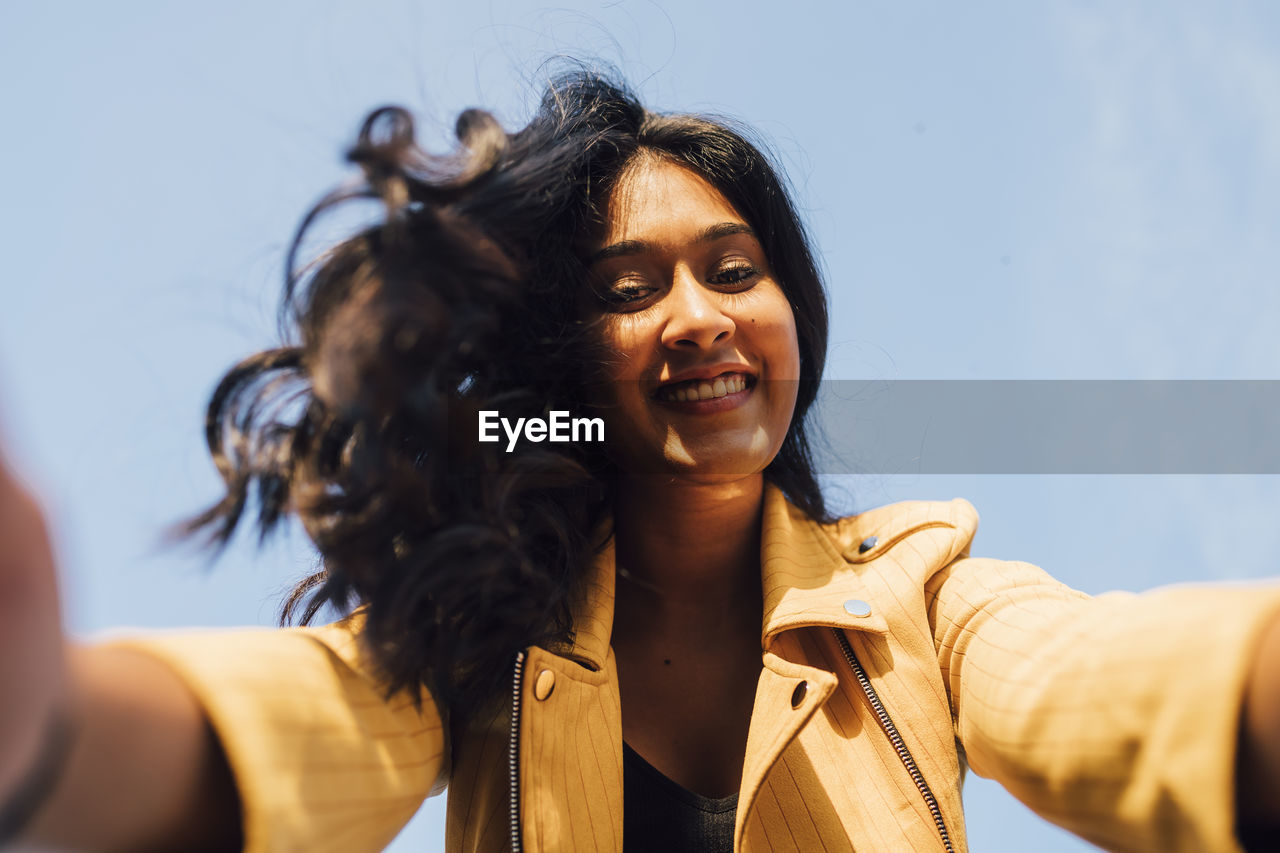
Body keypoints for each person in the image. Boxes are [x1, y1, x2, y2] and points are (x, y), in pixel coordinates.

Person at [2, 68, 1279, 853]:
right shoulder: (485, 640)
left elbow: (1104, 686)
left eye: (736, 271)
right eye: (630, 288)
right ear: (570, 370)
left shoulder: (921, 591)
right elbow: (298, 733)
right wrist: (44, 731)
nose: (700, 317)